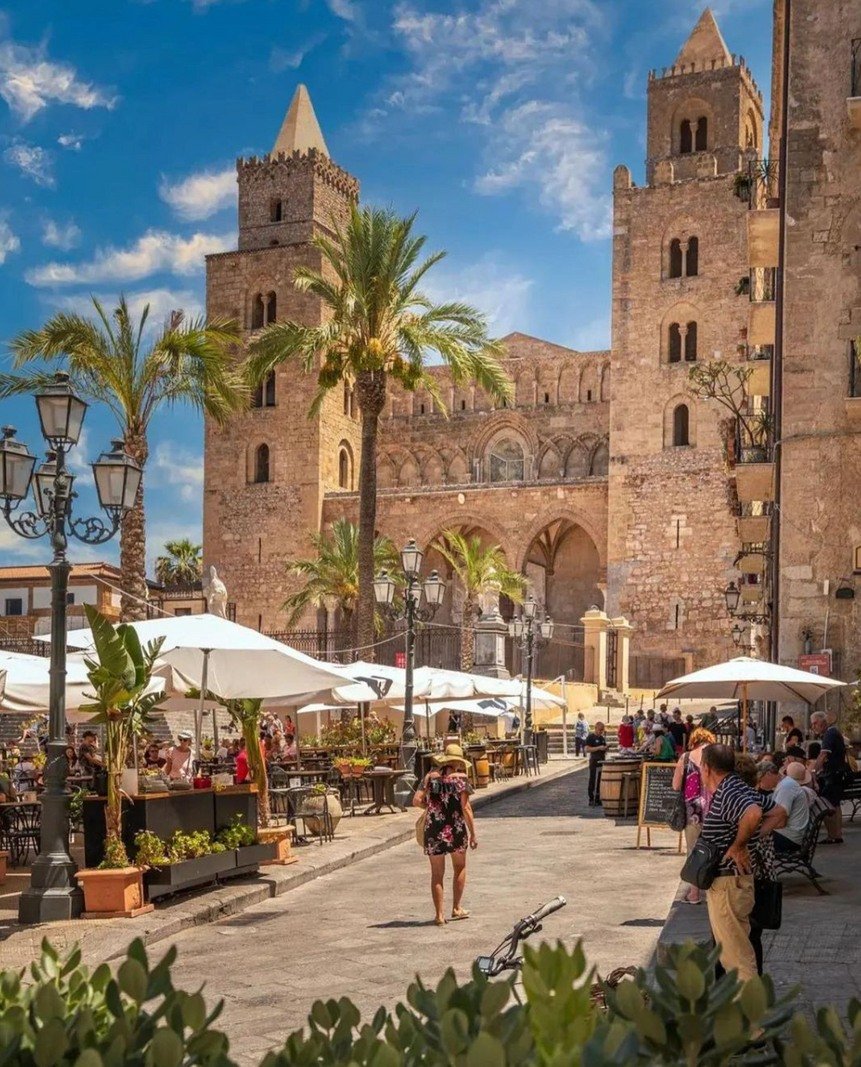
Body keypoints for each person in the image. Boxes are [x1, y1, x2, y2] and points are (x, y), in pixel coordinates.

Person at [699, 744, 771, 982]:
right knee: (735, 952)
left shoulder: (730, 791)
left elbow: (753, 813)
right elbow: (776, 811)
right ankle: (745, 1011)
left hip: (728, 882)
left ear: (707, 768)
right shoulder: (737, 787)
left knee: (737, 958)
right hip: (732, 881)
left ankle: (753, 1016)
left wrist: (739, 845)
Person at [413, 744, 477, 926]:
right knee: (460, 867)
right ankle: (456, 908)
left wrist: (431, 808)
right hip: (455, 828)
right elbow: (466, 808)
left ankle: (439, 915)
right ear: (458, 762)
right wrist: (473, 833)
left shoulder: (429, 778)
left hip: (433, 829)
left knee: (437, 874)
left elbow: (416, 800)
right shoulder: (462, 780)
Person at [672, 726, 716, 904]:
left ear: (694, 741)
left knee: (693, 852)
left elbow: (675, 785)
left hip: (693, 812)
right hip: (716, 809)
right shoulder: (716, 756)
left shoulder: (686, 757)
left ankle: (694, 894)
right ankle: (714, 891)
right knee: (715, 850)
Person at [810, 710, 848, 843]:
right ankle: (837, 834)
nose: (814, 726)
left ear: (823, 722)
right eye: (812, 724)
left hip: (832, 775)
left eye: (815, 723)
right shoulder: (833, 732)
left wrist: (814, 771)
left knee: (826, 804)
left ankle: (833, 835)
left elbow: (823, 755)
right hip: (838, 774)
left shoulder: (829, 734)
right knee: (835, 804)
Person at [757, 760, 808, 854]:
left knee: (749, 841)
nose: (760, 784)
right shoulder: (785, 784)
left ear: (768, 774)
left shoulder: (786, 787)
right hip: (789, 834)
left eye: (760, 779)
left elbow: (780, 821)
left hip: (788, 838)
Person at [584, 721, 608, 806]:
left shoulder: (602, 738)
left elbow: (603, 748)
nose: (601, 731)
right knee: (592, 780)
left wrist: (605, 748)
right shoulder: (590, 737)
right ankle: (591, 798)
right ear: (596, 728)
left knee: (600, 781)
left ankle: (598, 798)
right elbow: (587, 749)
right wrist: (598, 748)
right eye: (600, 730)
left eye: (602, 730)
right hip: (594, 761)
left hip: (601, 761)